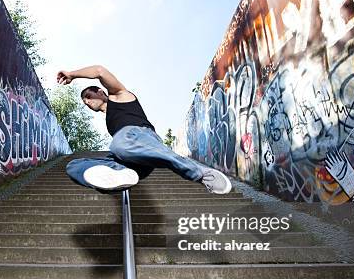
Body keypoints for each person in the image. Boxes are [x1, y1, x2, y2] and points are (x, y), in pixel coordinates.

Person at [57, 65, 232, 194]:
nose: (87, 102)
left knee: (119, 143)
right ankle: (121, 175)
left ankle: (202, 174)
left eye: (88, 96)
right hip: (133, 158)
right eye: (84, 101)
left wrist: (72, 75)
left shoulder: (120, 96)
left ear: (101, 92)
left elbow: (99, 71)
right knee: (74, 165)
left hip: (139, 136)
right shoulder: (110, 119)